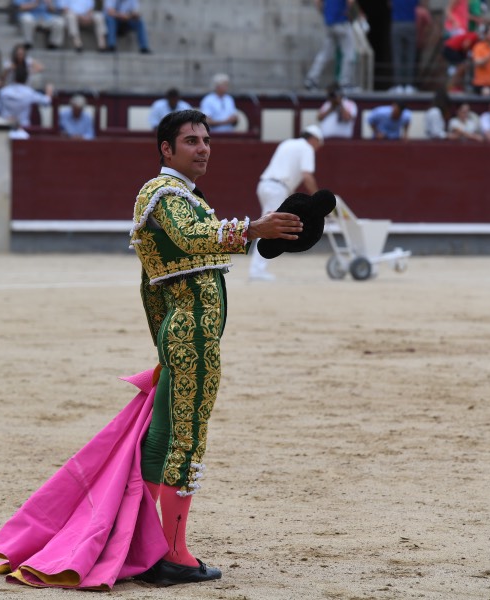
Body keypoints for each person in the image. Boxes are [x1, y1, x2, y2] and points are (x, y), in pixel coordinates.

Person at [129, 109, 303, 584]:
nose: (203, 148)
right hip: (193, 336)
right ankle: (173, 554)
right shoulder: (164, 193)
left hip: (179, 335)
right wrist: (253, 228)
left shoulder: (179, 195)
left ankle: (142, 544)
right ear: (167, 149)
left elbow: (151, 283)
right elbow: (192, 238)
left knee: (162, 438)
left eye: (206, 140)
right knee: (185, 439)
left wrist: (163, 345)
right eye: (191, 141)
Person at [250, 125, 324, 281]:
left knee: (268, 224)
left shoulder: (288, 143)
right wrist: (318, 199)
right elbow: (307, 176)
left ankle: (258, 268)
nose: (318, 148)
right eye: (319, 143)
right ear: (314, 139)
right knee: (269, 226)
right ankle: (257, 269)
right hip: (278, 189)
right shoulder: (307, 148)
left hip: (265, 185)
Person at [304, 0, 356, 92]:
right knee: (349, 53)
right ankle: (344, 82)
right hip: (341, 21)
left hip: (329, 23)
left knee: (325, 54)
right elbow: (350, 1)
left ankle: (311, 79)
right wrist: (348, 11)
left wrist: (326, 13)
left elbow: (317, 2)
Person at [0, 65, 54, 130]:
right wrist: (49, 91)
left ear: (14, 77)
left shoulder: (3, 91)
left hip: (7, 128)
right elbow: (46, 101)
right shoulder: (29, 92)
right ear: (26, 79)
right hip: (20, 128)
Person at [390, 0, 426, 93]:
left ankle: (399, 85)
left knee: (398, 56)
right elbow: (418, 5)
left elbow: (390, 5)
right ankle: (409, 85)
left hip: (397, 23)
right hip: (410, 24)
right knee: (411, 55)